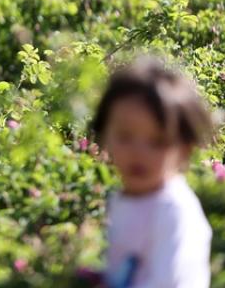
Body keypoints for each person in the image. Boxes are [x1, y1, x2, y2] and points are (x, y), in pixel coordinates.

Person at [90, 57, 216, 288]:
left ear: (184, 149)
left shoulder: (174, 210)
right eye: (125, 137)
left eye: (157, 142)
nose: (139, 152)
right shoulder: (122, 197)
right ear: (104, 135)